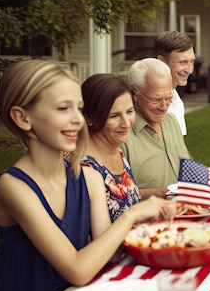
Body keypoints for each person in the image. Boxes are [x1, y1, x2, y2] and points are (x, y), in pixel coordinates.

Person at [0, 60, 176, 291]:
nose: (78, 118)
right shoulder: (13, 187)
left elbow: (109, 254)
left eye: (78, 107)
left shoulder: (88, 178)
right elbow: (78, 270)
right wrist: (133, 214)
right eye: (63, 108)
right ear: (23, 118)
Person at [122, 58, 192, 199]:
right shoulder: (122, 134)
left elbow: (187, 162)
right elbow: (118, 196)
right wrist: (166, 192)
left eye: (169, 98)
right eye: (156, 99)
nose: (164, 106)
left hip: (185, 212)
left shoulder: (171, 121)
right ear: (135, 93)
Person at [81, 74, 142, 221]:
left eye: (129, 111)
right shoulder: (83, 167)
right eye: (114, 116)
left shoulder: (117, 152)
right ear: (90, 117)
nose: (126, 123)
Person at [153, 31, 197, 136]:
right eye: (183, 62)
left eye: (191, 62)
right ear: (161, 61)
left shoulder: (177, 101)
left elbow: (178, 149)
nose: (189, 70)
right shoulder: (149, 104)